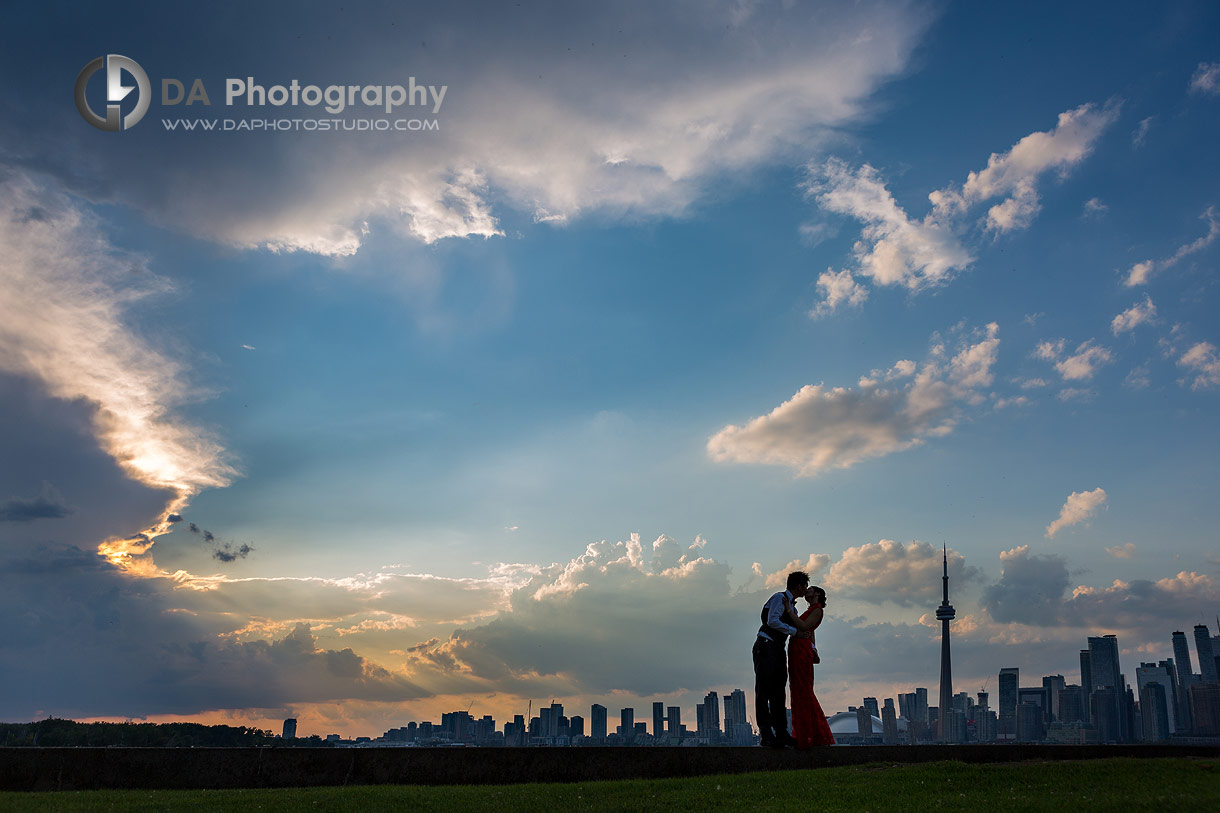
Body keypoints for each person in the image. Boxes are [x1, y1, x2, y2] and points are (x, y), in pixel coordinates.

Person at [753, 570, 810, 748]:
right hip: (766, 646)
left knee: (778, 692)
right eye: (805, 586)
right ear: (799, 585)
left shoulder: (791, 607)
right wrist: (795, 632)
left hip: (777, 649)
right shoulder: (779, 598)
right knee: (763, 691)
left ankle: (781, 732)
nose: (805, 590)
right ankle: (766, 734)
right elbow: (772, 621)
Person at [783, 585, 835, 748]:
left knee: (803, 691)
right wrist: (814, 649)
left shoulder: (817, 609)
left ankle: (812, 734)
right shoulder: (811, 609)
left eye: (810, 589)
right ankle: (806, 734)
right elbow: (811, 632)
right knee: (799, 690)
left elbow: (805, 627)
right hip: (798, 648)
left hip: (800, 649)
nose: (806, 591)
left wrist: (788, 611)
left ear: (817, 593)